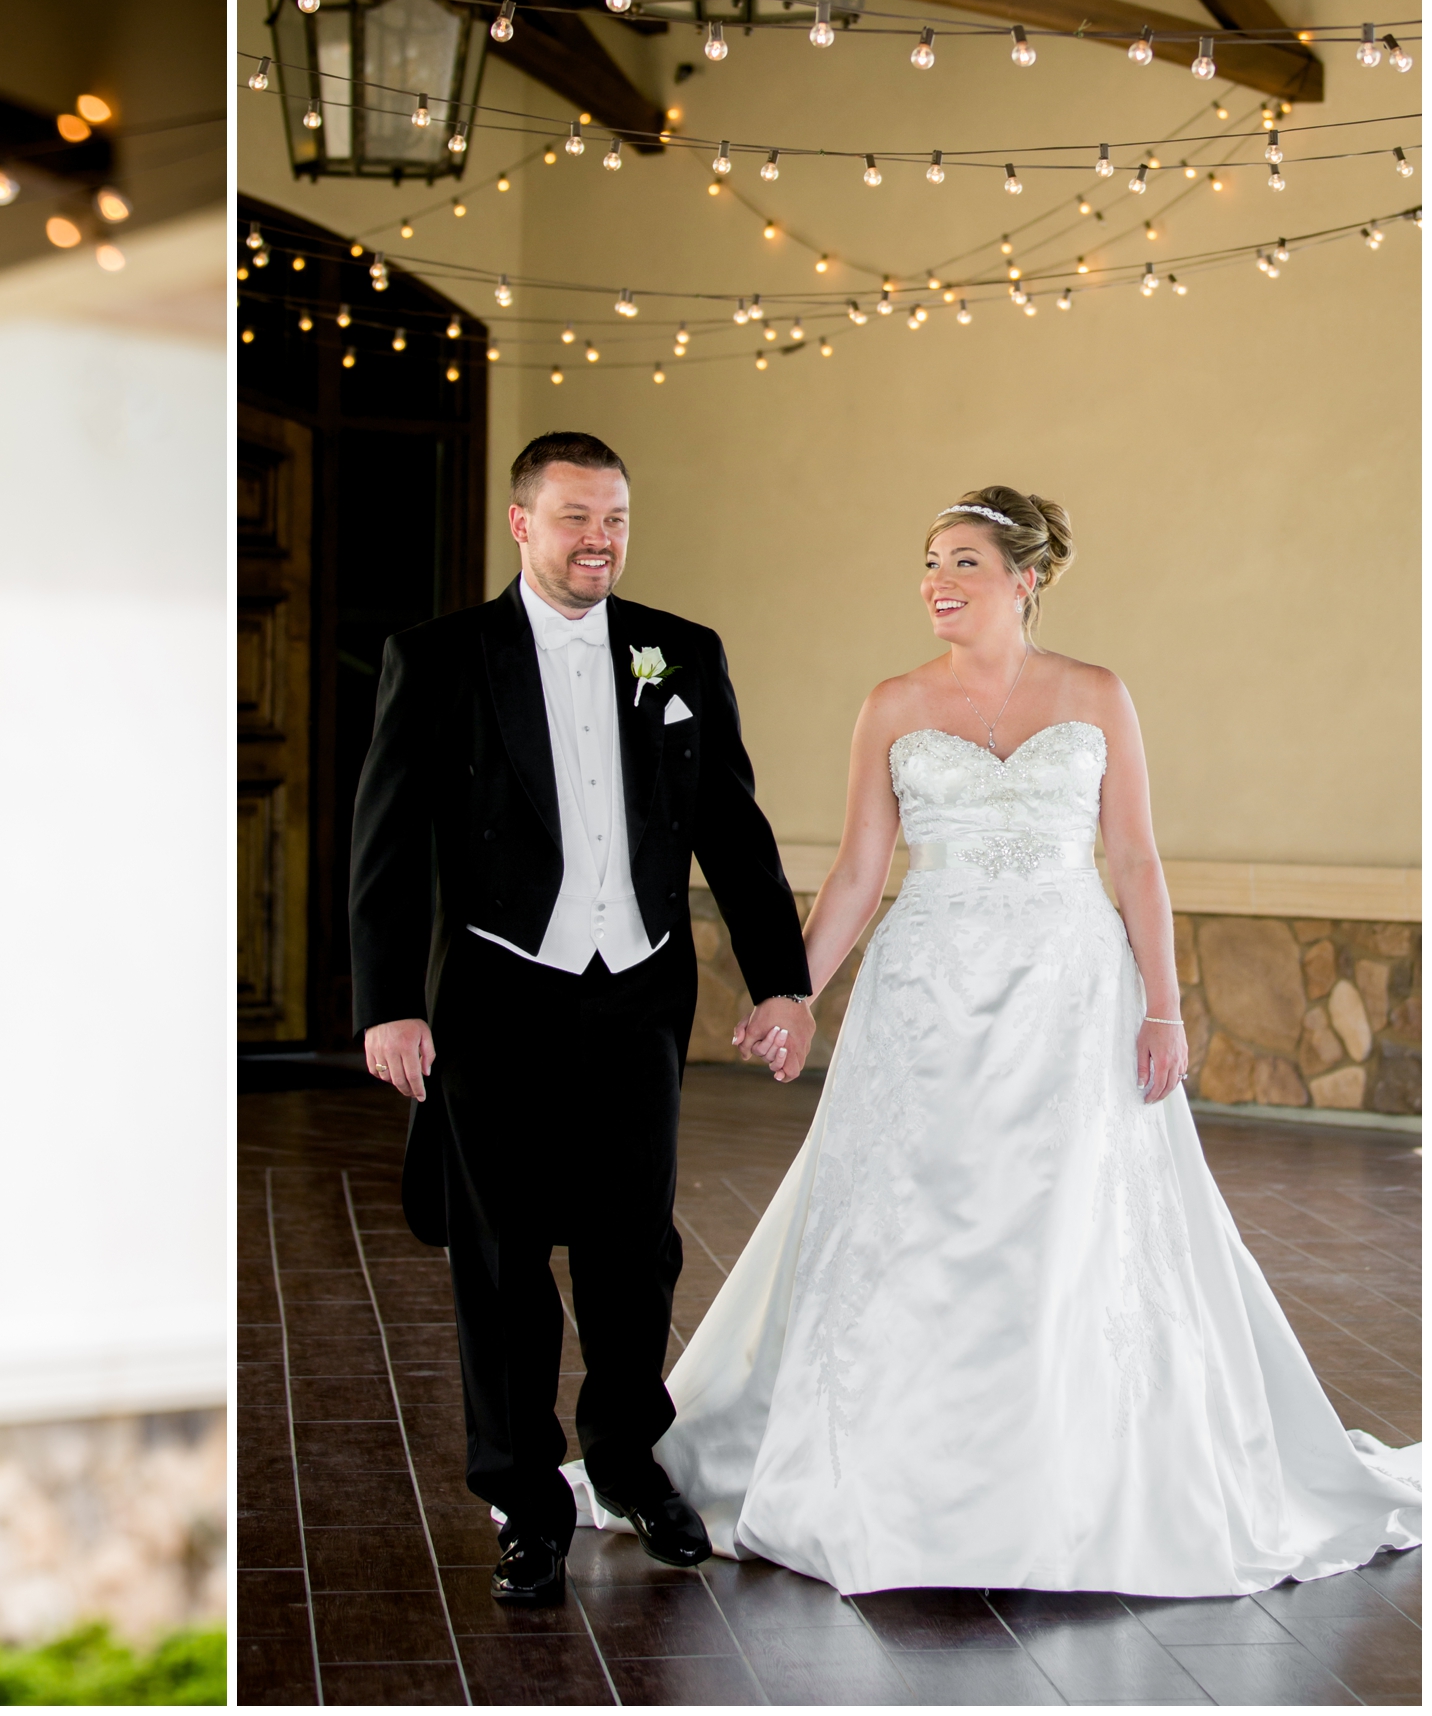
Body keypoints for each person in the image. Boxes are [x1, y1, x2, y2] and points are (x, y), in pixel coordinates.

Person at [650, 488, 1423, 1595]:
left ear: (1026, 577)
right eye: (927, 562)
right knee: (913, 1217)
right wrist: (794, 993)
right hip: (926, 999)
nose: (938, 581)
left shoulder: (1098, 694)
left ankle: (1074, 1474)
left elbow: (1139, 861)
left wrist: (1164, 1004)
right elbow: (863, 872)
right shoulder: (891, 703)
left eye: (963, 561)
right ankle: (887, 1469)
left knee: (1066, 1224)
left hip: (1070, 993)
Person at [348, 432, 816, 1608]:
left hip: (639, 994)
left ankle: (623, 1459)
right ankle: (522, 1498)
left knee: (633, 1249)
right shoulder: (441, 657)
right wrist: (389, 1003)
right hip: (498, 997)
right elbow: (389, 847)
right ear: (522, 524)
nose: (597, 538)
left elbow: (735, 831)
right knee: (501, 1263)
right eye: (574, 518)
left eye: (613, 518)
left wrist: (784, 981)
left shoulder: (681, 653)